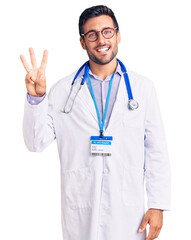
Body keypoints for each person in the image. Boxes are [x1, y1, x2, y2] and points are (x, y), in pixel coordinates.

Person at [20, 5, 171, 240]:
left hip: (128, 213)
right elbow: (35, 142)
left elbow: (156, 151)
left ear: (118, 35)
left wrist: (157, 204)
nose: (101, 39)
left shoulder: (143, 88)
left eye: (107, 32)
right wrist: (36, 97)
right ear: (83, 42)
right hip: (81, 211)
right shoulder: (62, 91)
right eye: (92, 34)